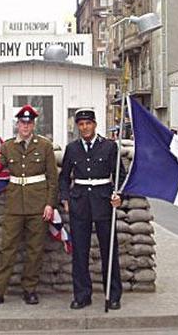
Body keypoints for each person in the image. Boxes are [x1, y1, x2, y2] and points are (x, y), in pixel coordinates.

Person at [0, 104, 58, 308]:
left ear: (34, 125)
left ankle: (30, 290)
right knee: (7, 249)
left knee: (35, 250)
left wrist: (50, 204)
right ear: (18, 124)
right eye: (22, 122)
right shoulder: (7, 147)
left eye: (29, 122)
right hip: (14, 206)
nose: (25, 126)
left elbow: (53, 179)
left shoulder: (44, 146)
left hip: (38, 205)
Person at [59, 109, 126, 310]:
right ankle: (82, 295)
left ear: (95, 125)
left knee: (109, 249)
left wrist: (119, 194)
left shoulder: (109, 146)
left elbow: (120, 175)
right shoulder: (72, 149)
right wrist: (65, 197)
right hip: (80, 203)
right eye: (81, 124)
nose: (85, 127)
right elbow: (64, 177)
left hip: (104, 201)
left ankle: (113, 294)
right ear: (77, 126)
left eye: (88, 123)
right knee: (80, 251)